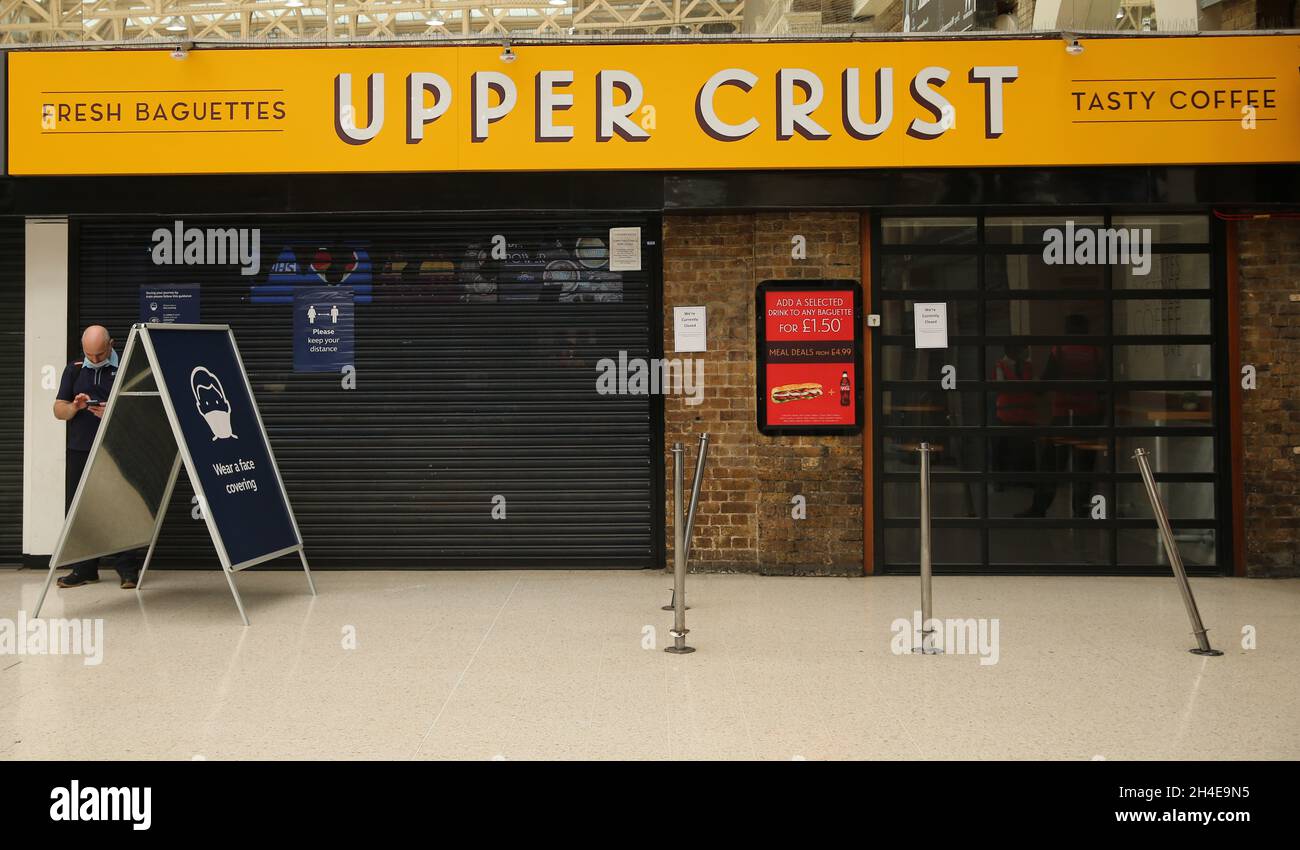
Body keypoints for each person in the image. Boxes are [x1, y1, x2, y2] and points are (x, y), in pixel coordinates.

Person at [52, 325, 141, 589]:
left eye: (99, 354)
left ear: (111, 344)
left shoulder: (128, 366)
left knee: (123, 506)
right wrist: (75, 406)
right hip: (80, 448)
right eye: (89, 354)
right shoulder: (74, 369)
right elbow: (59, 410)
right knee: (80, 509)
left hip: (118, 447)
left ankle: (127, 569)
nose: (94, 359)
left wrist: (113, 412)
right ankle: (84, 568)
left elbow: (144, 407)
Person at [1018, 314, 1105, 518]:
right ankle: (1081, 510)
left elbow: (1048, 379)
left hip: (1063, 415)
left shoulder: (1060, 350)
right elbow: (1102, 385)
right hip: (1087, 415)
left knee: (1052, 465)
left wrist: (1035, 388)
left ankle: (1039, 507)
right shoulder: (1095, 353)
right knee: (1084, 466)